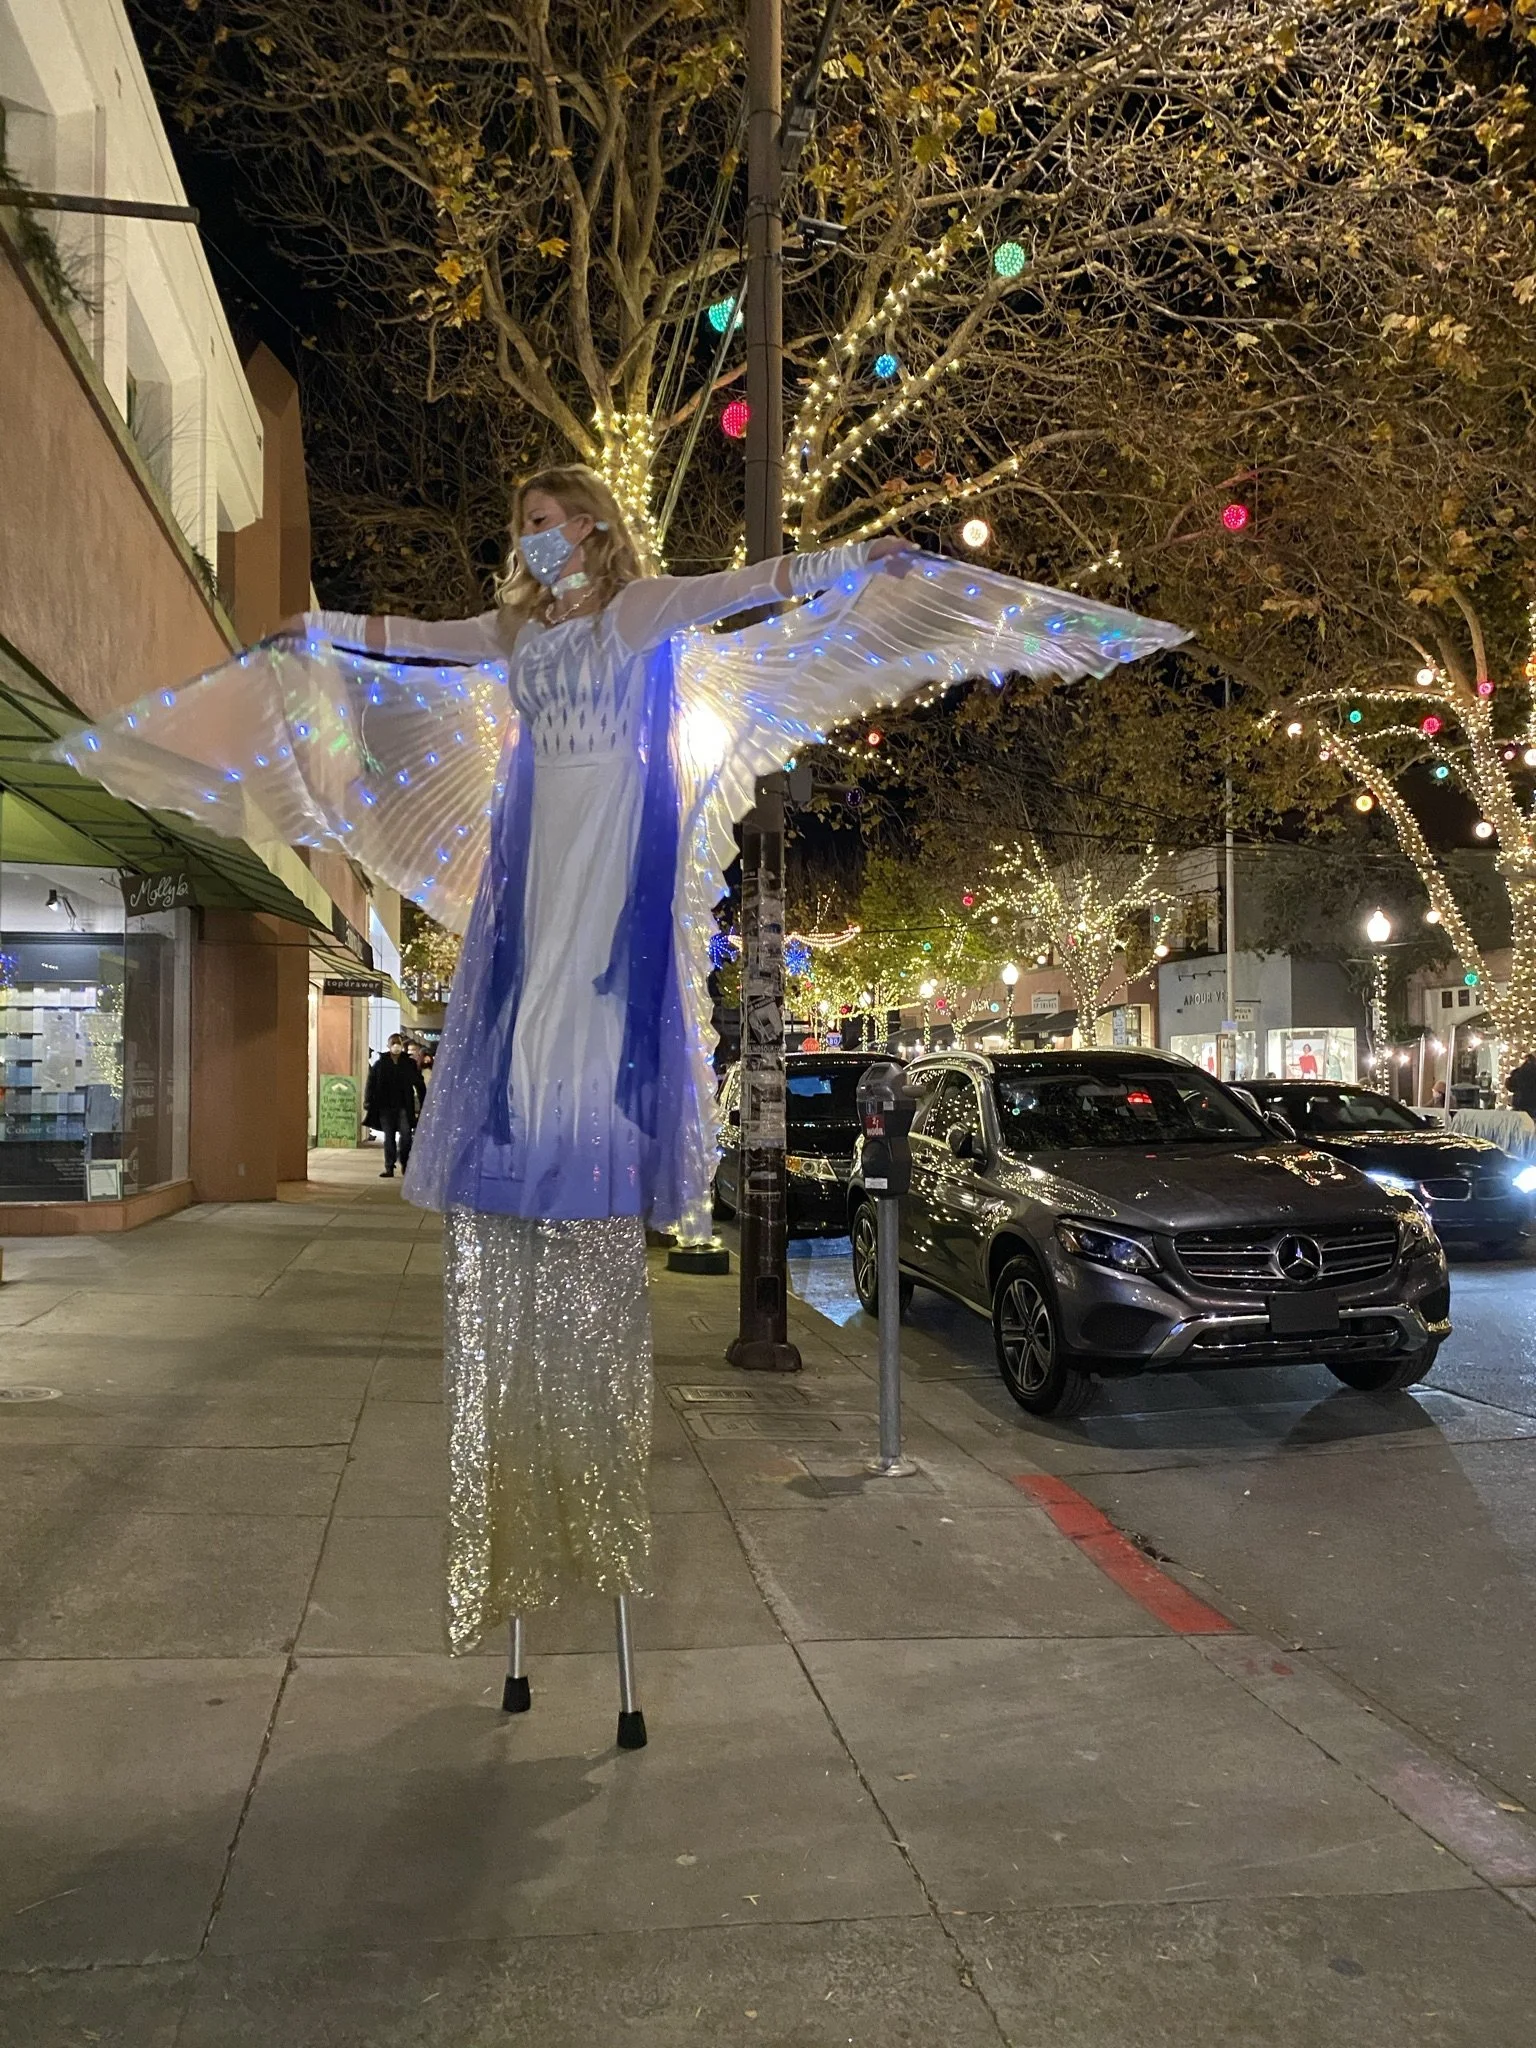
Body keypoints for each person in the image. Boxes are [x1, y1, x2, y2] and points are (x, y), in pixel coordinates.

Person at [60, 461, 1186, 1738]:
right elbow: (416, 642)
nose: (535, 543)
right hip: (539, 857)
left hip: (615, 852)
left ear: (594, 526)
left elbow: (750, 586)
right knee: (533, 997)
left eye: (551, 524)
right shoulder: (513, 634)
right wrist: (319, 632)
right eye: (521, 527)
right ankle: (532, 1133)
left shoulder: (641, 613)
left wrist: (848, 560)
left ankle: (584, 1138)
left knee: (592, 1004)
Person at [364, 1033, 426, 1177]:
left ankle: (405, 1163)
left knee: (406, 1136)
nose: (396, 1046)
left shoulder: (408, 1064)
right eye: (393, 1043)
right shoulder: (381, 1064)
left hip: (404, 1106)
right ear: (388, 1045)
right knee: (389, 1137)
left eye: (398, 1043)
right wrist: (368, 1101)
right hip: (385, 1107)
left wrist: (424, 1102)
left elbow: (419, 1083)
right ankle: (389, 1167)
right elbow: (371, 1083)